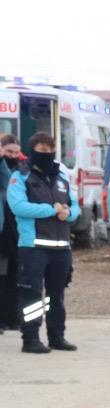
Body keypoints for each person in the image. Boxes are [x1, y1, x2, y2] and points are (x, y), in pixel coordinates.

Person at [7, 132, 78, 353]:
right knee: (32, 295)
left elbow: (75, 206)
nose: (46, 153)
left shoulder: (61, 177)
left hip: (61, 247)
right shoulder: (20, 175)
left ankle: (57, 336)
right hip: (33, 247)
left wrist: (69, 213)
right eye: (41, 149)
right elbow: (18, 206)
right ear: (32, 150)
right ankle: (31, 339)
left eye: (49, 150)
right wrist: (51, 210)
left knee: (56, 295)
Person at [0, 134, 21, 331]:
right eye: (9, 152)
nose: (13, 155)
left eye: (16, 152)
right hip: (3, 232)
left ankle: (12, 316)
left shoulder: (22, 170)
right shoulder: (4, 169)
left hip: (15, 232)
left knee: (13, 276)